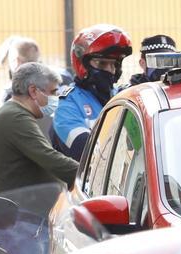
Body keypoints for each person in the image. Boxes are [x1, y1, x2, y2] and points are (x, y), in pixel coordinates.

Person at [0, 62, 78, 206]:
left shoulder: (9, 114)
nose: (56, 98)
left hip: (17, 220)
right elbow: (49, 157)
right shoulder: (16, 118)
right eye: (53, 92)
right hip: (22, 222)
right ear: (33, 91)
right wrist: (88, 175)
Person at [52, 24, 132, 160]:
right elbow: (88, 154)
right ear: (83, 64)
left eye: (114, 64)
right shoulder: (68, 106)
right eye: (102, 64)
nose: (110, 70)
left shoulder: (123, 96)